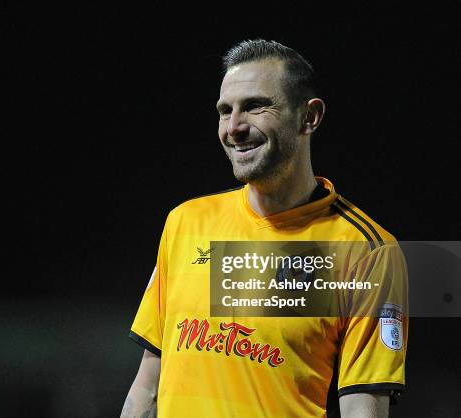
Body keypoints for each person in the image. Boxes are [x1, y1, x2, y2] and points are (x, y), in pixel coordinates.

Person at [121, 39, 408, 418]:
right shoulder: (186, 223)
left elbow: (362, 408)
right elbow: (147, 386)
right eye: (225, 111)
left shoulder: (365, 252)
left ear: (310, 117)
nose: (234, 127)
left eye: (255, 106)